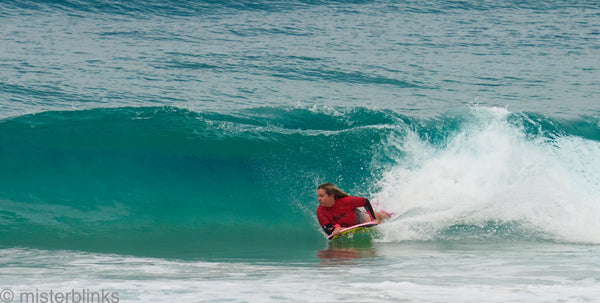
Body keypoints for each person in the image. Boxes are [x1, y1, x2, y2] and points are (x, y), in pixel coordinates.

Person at [316, 183, 389, 236]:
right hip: (343, 225)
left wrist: (373, 219)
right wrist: (334, 230)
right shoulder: (320, 211)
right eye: (318, 196)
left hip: (358, 218)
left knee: (377, 218)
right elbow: (327, 229)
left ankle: (387, 215)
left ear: (331, 195)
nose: (319, 199)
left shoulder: (346, 201)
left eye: (322, 196)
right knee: (336, 226)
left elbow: (365, 201)